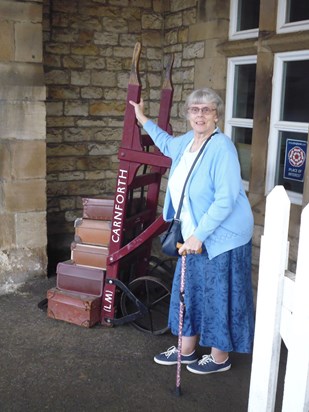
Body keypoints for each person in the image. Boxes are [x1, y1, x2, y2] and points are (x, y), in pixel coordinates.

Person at [129, 87, 255, 375]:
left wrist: (199, 235)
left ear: (217, 115)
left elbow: (226, 198)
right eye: (195, 110)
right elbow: (164, 142)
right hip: (193, 234)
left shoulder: (222, 148)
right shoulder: (186, 142)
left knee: (218, 294)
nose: (200, 115)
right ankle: (186, 350)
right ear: (187, 114)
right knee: (190, 289)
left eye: (207, 109)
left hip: (223, 237)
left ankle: (220, 357)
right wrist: (141, 117)